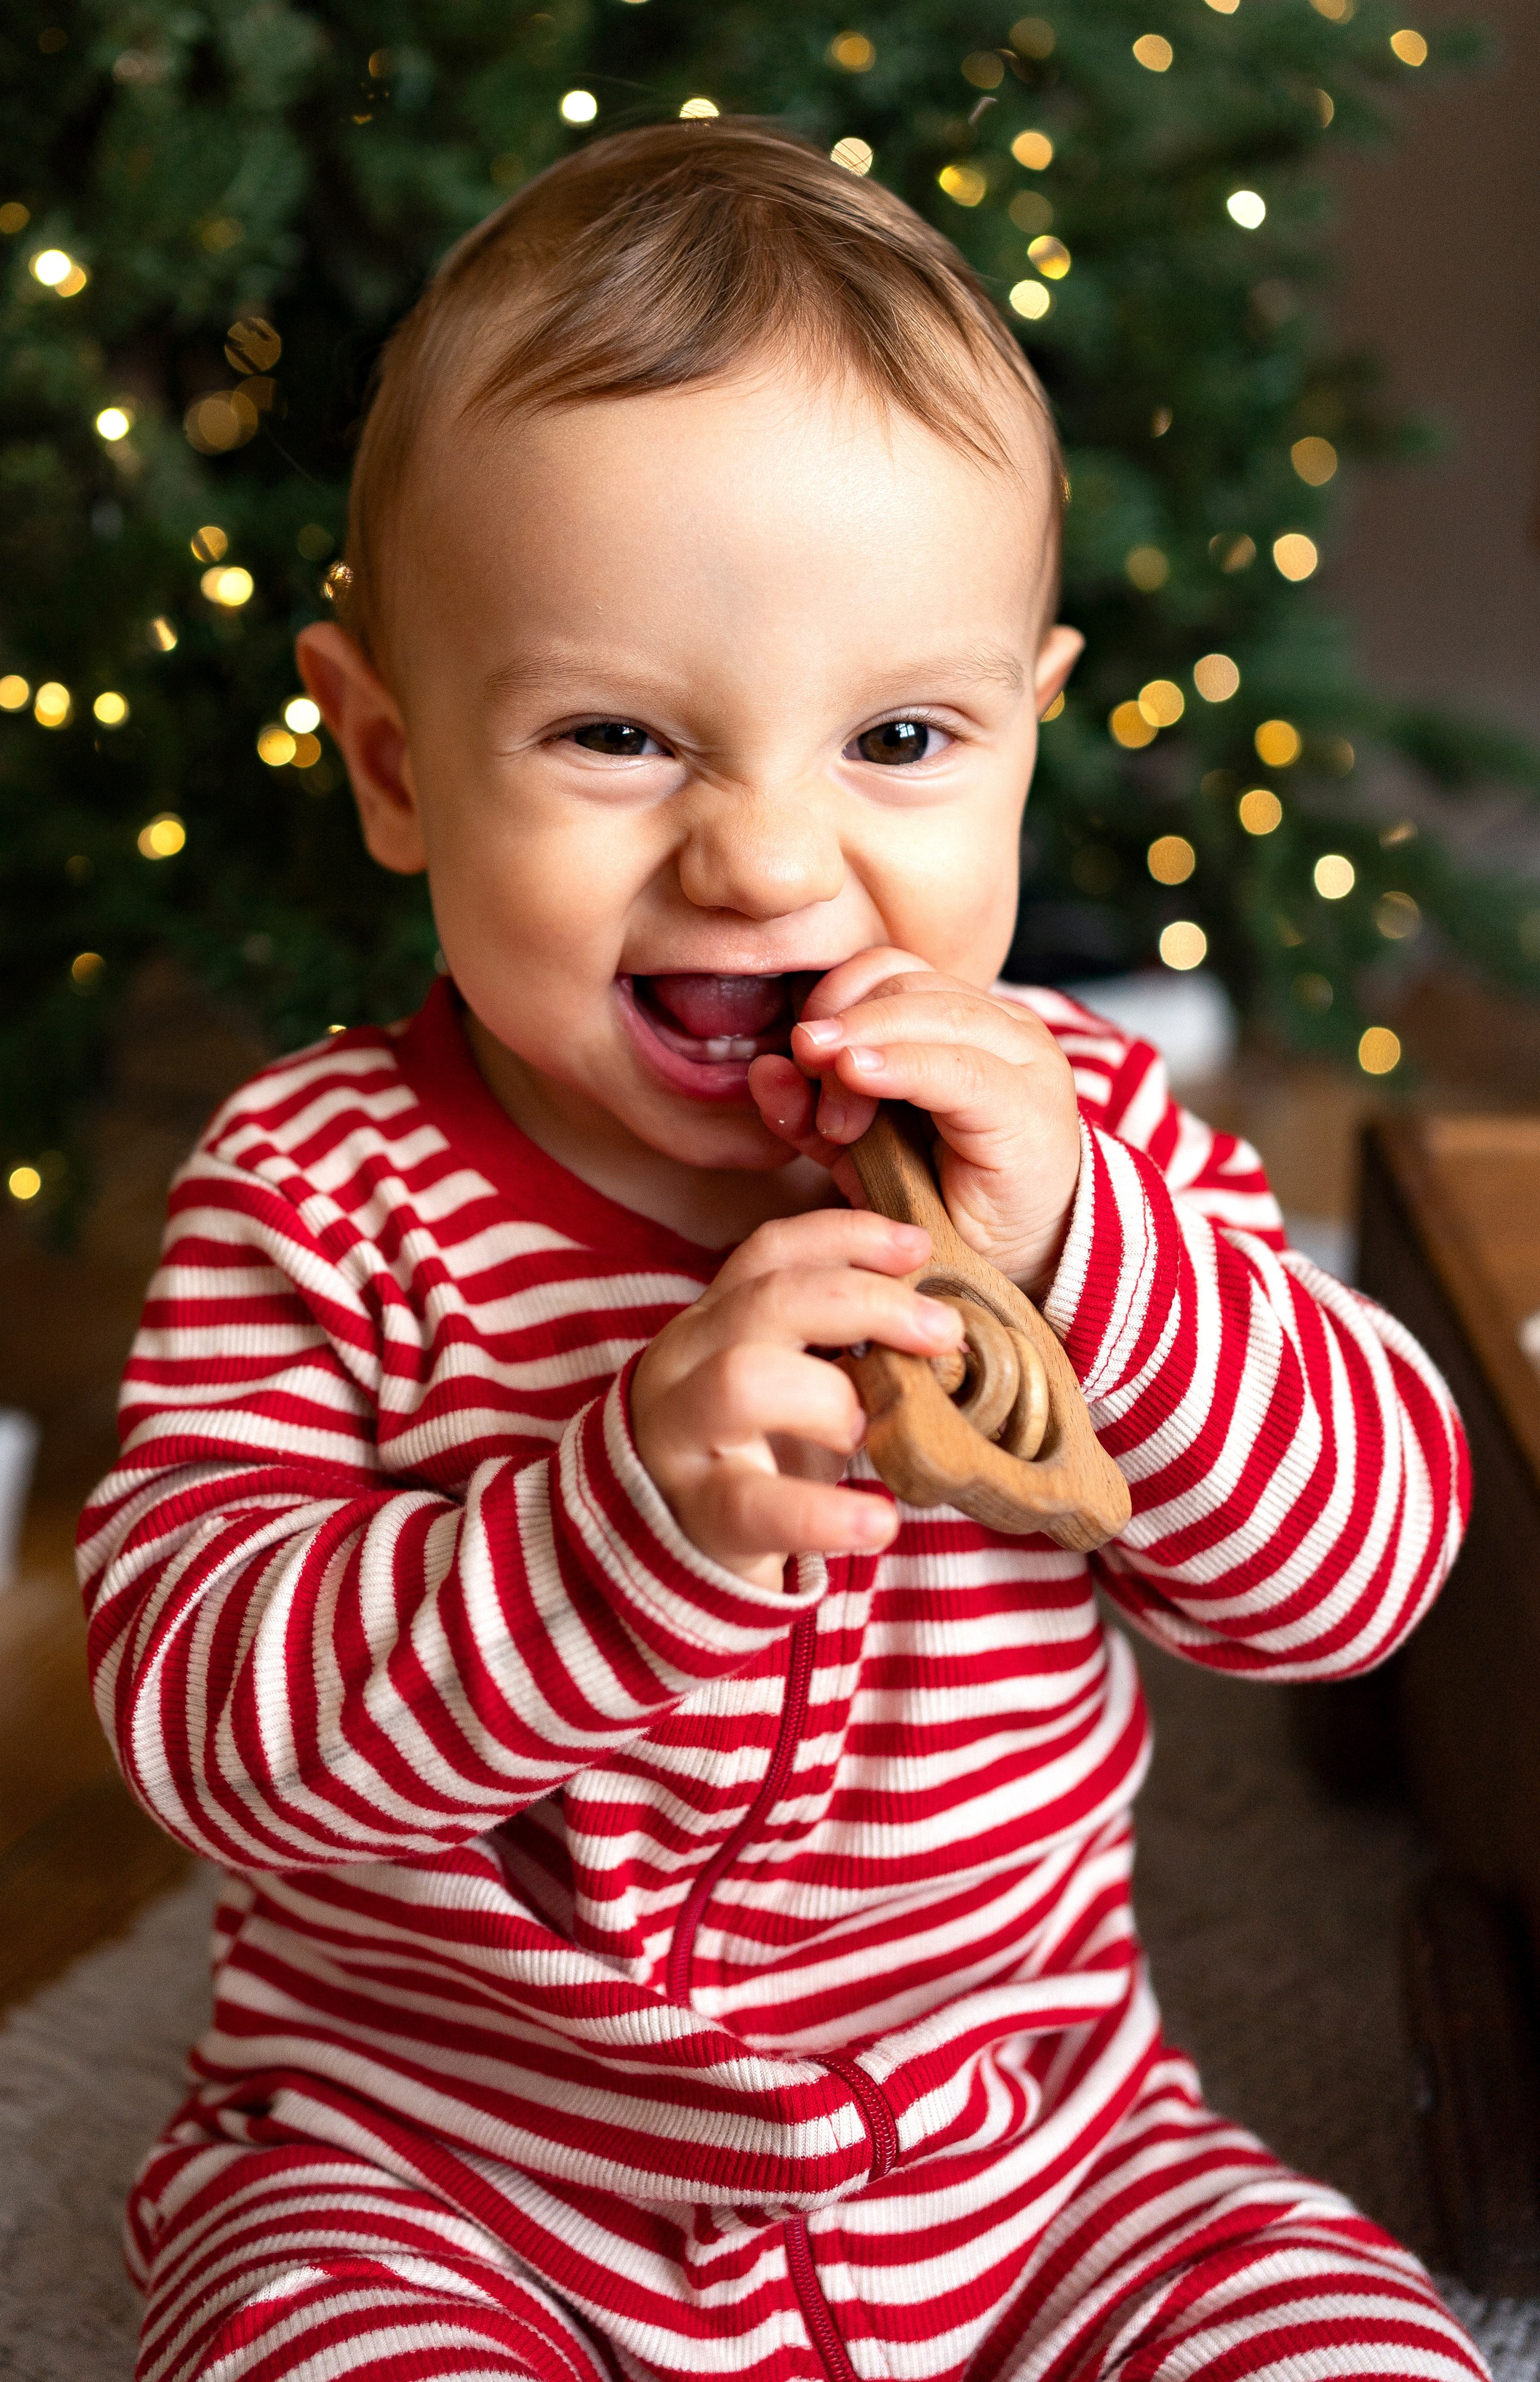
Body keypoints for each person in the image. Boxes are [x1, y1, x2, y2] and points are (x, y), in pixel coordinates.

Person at [78, 121, 1483, 2382]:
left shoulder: (1079, 1136)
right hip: (446, 2169)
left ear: (1028, 731)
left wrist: (1103, 1271)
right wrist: (605, 1522)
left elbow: (1364, 1576)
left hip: (1033, 2157)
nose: (763, 854)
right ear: (397, 760)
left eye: (902, 737)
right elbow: (204, 1727)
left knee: (1339, 2337)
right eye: (618, 736)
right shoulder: (323, 1188)